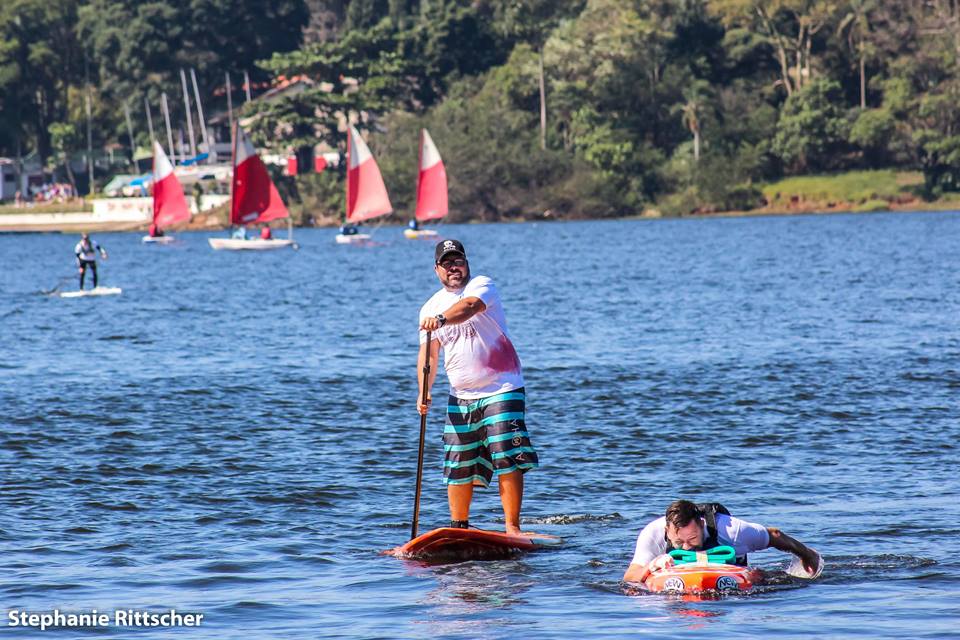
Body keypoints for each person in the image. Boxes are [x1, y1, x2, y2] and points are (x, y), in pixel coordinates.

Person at [417, 239, 539, 535]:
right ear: (437, 270)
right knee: (457, 462)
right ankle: (459, 527)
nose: (454, 268)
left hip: (502, 387)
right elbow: (428, 356)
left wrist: (442, 320)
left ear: (466, 263)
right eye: (447, 264)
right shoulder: (429, 307)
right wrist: (424, 392)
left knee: (505, 454)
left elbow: (470, 307)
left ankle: (512, 528)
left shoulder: (482, 285)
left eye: (458, 261)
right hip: (460, 397)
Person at [623, 500, 821, 583]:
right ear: (667, 531)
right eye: (678, 542)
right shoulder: (653, 533)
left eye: (692, 539)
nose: (686, 547)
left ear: (701, 525)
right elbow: (630, 577)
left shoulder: (732, 530)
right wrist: (652, 566)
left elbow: (774, 536)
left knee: (762, 578)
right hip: (677, 578)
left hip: (730, 569)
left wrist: (806, 555)